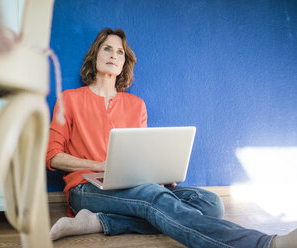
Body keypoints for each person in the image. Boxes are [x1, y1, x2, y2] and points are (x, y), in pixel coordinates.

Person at [46, 28, 297, 248]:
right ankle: (266, 243)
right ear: (95, 55)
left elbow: (140, 155)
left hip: (132, 186)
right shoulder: (69, 99)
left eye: (120, 52)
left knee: (210, 204)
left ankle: (100, 222)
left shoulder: (136, 105)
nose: (113, 55)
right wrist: (100, 166)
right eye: (107, 49)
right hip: (86, 188)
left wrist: (159, 173)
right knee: (151, 197)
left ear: (124, 63)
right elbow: (53, 157)